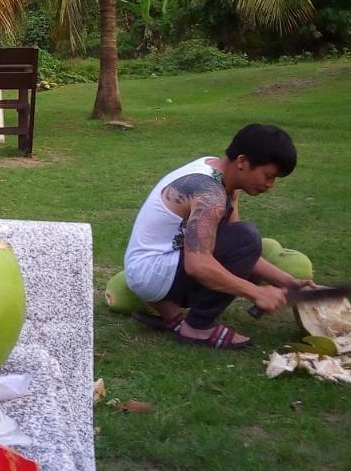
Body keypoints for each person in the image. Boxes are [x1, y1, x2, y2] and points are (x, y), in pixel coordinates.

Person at [123, 124, 312, 349]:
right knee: (246, 237)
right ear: (242, 162)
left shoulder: (220, 174)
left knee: (243, 242)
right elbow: (199, 264)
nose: (270, 185)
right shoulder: (209, 192)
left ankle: (171, 315)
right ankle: (198, 327)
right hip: (151, 273)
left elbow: (238, 250)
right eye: (269, 176)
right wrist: (257, 293)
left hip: (146, 269)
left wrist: (289, 283)